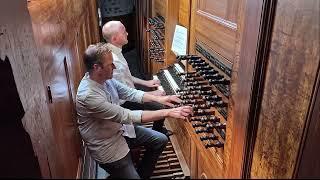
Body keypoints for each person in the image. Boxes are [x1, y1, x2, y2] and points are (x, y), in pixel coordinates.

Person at [76, 43, 192, 179]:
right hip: (107, 145)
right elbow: (127, 115)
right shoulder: (88, 95)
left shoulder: (104, 78)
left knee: (160, 140)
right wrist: (168, 112)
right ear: (97, 67)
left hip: (121, 130)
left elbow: (129, 93)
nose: (114, 67)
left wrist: (160, 99)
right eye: (110, 64)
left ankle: (142, 175)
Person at [102, 20, 173, 136]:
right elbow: (123, 92)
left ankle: (156, 131)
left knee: (157, 100)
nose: (127, 33)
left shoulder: (116, 50)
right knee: (160, 106)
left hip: (129, 94)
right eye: (123, 32)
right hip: (123, 103)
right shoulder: (113, 59)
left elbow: (127, 76)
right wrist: (152, 95)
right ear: (114, 39)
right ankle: (157, 133)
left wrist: (147, 83)